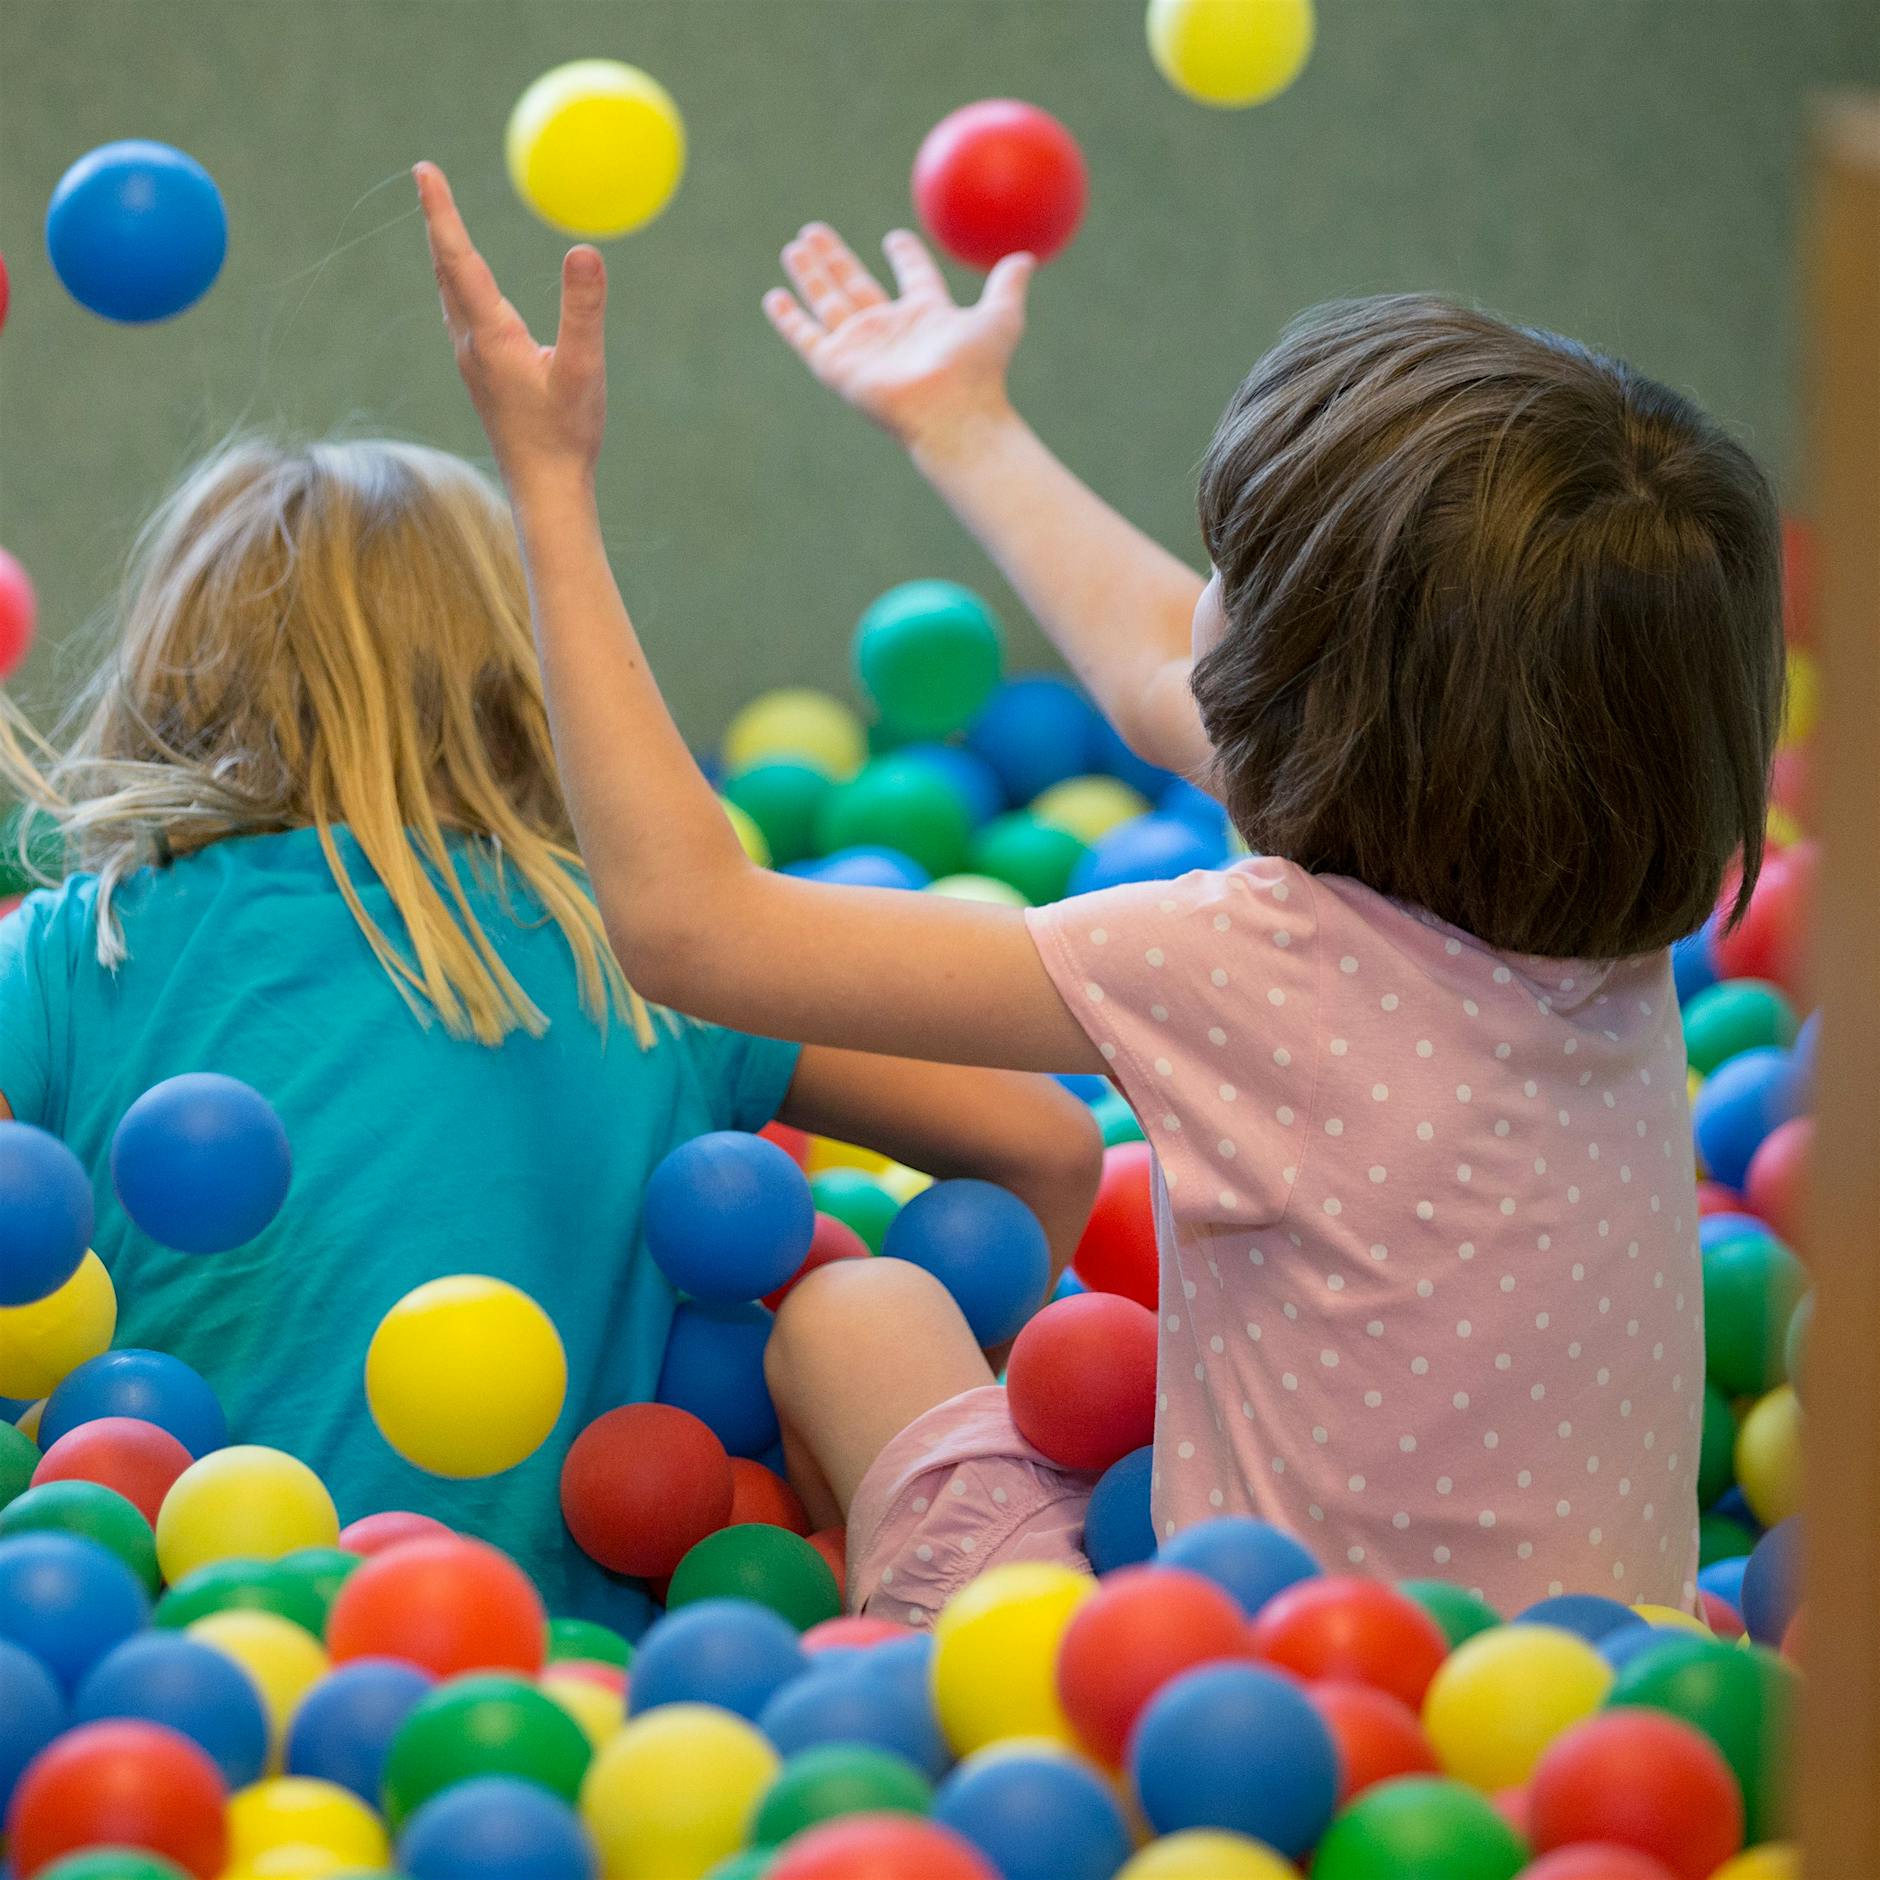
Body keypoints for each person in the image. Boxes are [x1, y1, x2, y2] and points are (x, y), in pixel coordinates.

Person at [414, 165, 1784, 1617]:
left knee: (857, 1313)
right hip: (1613, 1691)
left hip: (1243, 1705)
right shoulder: (1605, 897)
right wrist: (959, 421)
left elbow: (692, 929)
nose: (1198, 610)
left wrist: (548, 489)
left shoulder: (1253, 964)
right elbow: (1160, 668)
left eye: (1226, 573)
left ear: (1309, 699)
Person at [0, 434, 1102, 1621]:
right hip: (578, 1672)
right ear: (521, 683)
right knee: (862, 1306)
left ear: (172, 676)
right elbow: (1049, 1144)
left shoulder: (71, 954)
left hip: (162, 1649)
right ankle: (978, 1571)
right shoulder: (645, 951)